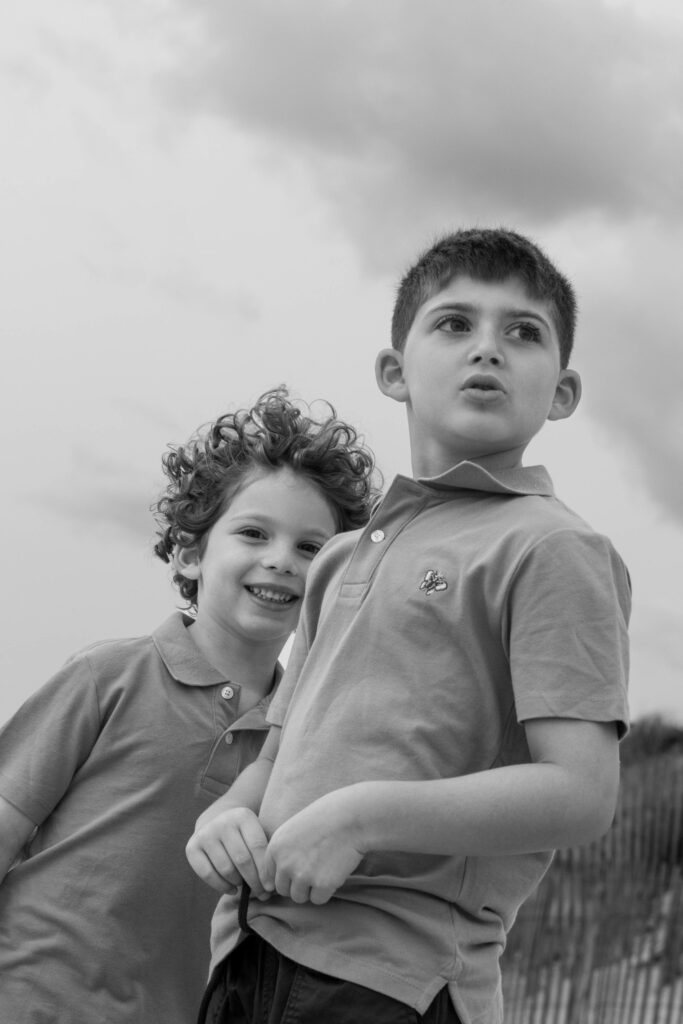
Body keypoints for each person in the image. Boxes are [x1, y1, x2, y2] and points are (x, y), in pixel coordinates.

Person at [187, 230, 631, 1024]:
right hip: (246, 953)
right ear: (395, 372)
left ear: (561, 392)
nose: (487, 349)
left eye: (521, 332)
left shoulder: (553, 547)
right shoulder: (338, 558)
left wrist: (360, 818)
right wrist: (229, 816)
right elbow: (285, 753)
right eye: (454, 324)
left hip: (391, 981)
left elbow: (580, 794)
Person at [0, 387, 379, 1023]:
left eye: (312, 549)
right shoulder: (107, 676)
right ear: (191, 552)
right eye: (254, 533)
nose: (281, 560)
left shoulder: (302, 740)